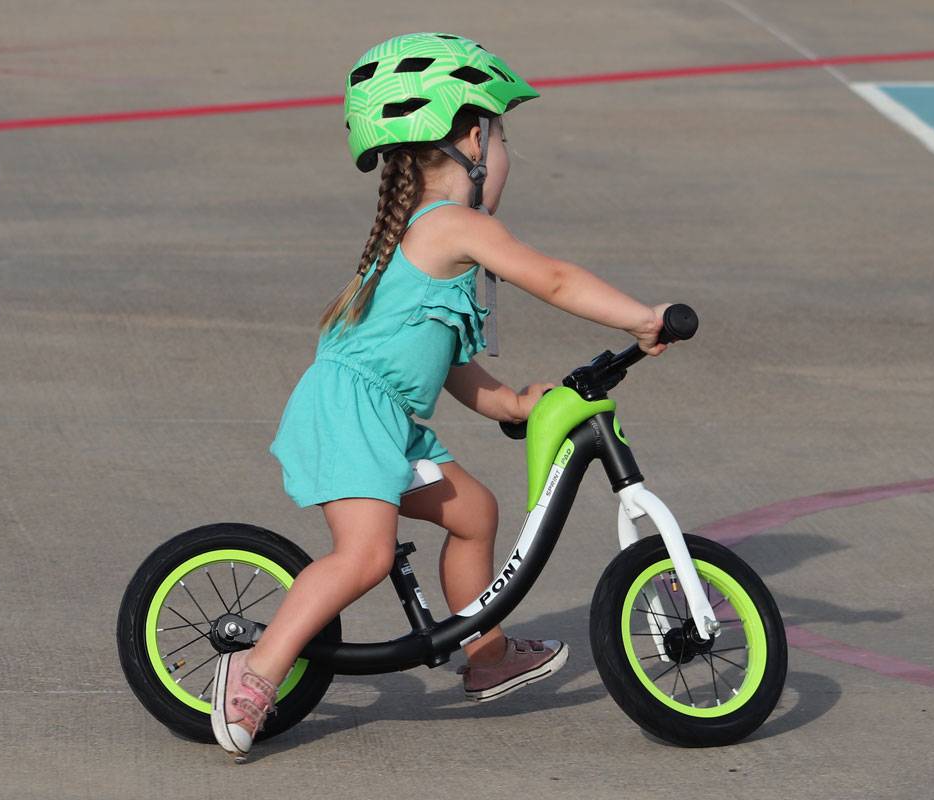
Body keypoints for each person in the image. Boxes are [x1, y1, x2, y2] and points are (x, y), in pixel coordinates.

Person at [211, 32, 671, 760]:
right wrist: (642, 318)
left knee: (475, 512)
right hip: (354, 412)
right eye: (502, 136)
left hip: (391, 417)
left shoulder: (433, 239)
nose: (509, 156)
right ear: (471, 138)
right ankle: (256, 669)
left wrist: (514, 403)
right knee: (363, 556)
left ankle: (483, 655)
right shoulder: (453, 225)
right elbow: (549, 278)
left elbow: (451, 369)